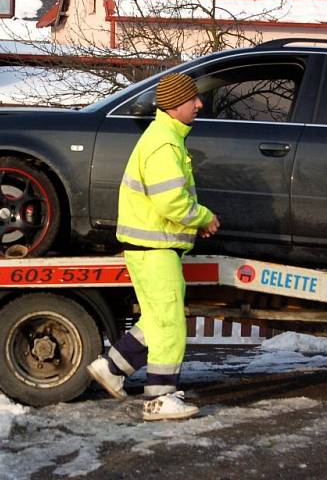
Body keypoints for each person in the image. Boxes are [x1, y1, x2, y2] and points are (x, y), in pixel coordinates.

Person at [86, 71, 220, 421]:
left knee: (157, 319)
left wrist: (192, 222)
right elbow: (171, 202)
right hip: (155, 247)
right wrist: (203, 217)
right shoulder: (164, 143)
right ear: (176, 105)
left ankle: (112, 369)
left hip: (148, 246)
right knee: (170, 323)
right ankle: (160, 398)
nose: (199, 104)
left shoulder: (163, 137)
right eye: (193, 99)